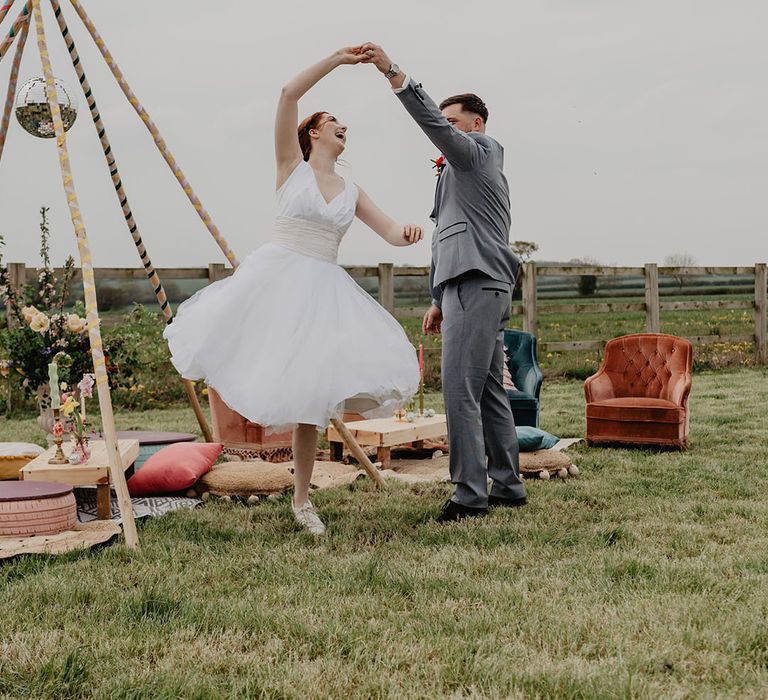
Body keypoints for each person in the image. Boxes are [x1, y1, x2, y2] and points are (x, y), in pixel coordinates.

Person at [164, 47, 422, 535]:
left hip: (325, 292)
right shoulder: (290, 168)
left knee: (312, 400)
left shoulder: (351, 189)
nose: (343, 126)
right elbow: (287, 93)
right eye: (334, 121)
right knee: (261, 359)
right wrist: (338, 60)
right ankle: (257, 460)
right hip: (279, 280)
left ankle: (302, 502)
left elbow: (387, 230)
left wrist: (405, 232)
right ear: (314, 133)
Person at [359, 43, 527, 523]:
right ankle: (508, 486)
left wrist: (393, 73)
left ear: (477, 124)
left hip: (479, 283)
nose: (445, 130)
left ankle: (469, 495)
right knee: (489, 389)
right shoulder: (456, 174)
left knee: (458, 389)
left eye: (453, 122)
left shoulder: (481, 154)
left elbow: (430, 120)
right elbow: (448, 236)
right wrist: (437, 297)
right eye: (447, 122)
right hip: (463, 285)